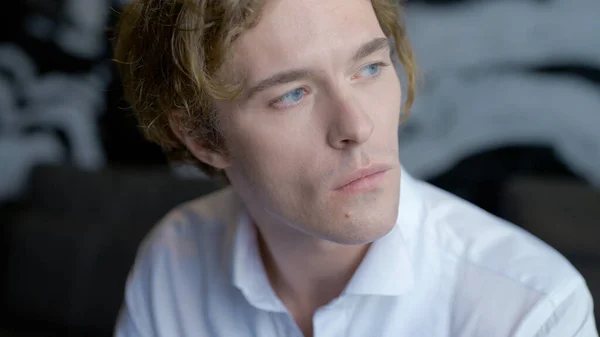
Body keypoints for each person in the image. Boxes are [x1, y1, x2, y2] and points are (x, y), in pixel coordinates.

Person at [112, 0, 598, 336]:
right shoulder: (172, 263)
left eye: (369, 68)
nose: (357, 125)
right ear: (202, 138)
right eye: (292, 94)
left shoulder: (533, 309)